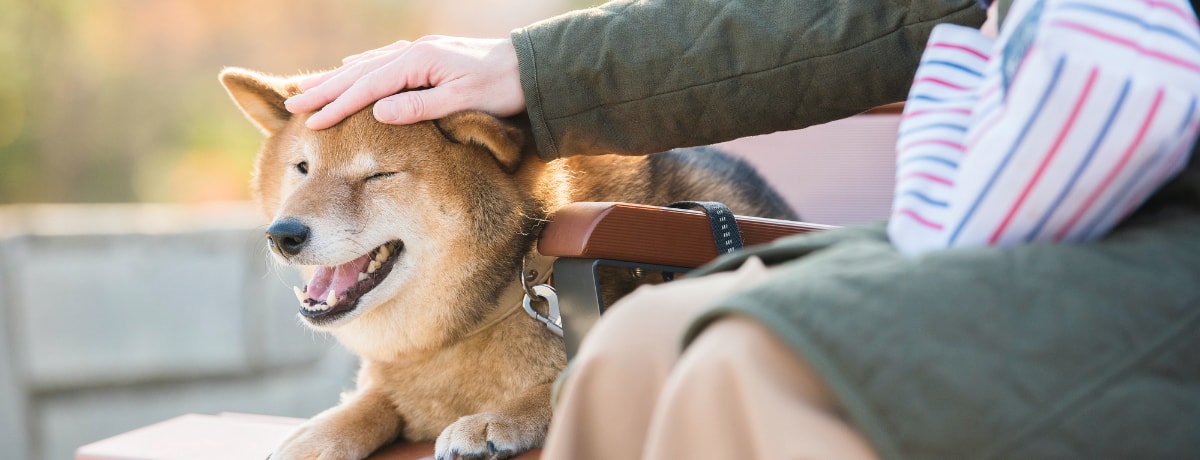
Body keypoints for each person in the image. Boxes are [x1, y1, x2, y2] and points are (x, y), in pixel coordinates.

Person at [285, 0, 1200, 458]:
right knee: (638, 344)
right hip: (1030, 209)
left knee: (743, 363)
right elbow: (866, 15)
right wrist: (535, 67)